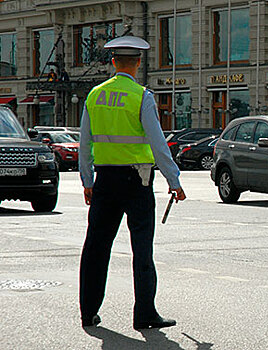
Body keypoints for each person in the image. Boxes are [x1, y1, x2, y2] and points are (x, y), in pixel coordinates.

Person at [78, 36, 186, 330]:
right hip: (137, 180)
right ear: (138, 63)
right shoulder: (141, 96)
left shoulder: (94, 95)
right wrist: (174, 180)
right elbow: (157, 142)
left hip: (104, 180)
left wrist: (87, 180)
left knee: (96, 246)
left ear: (113, 62)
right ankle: (144, 314)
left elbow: (84, 142)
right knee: (141, 247)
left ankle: (88, 311)